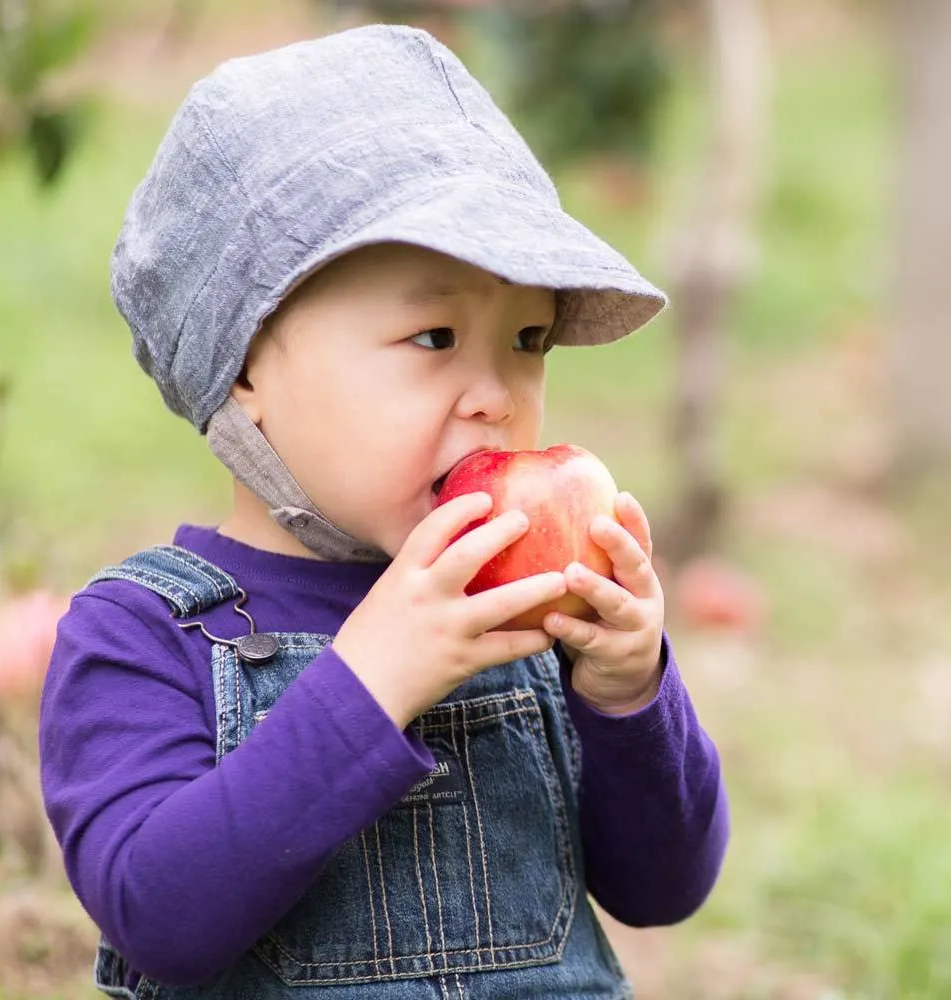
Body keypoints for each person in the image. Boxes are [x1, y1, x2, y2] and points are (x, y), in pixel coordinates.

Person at [39, 23, 729, 1000]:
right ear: (242, 370)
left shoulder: (531, 616)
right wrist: (369, 681)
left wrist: (626, 692)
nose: (496, 391)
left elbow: (664, 886)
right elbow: (159, 919)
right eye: (434, 334)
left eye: (528, 337)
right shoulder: (146, 633)